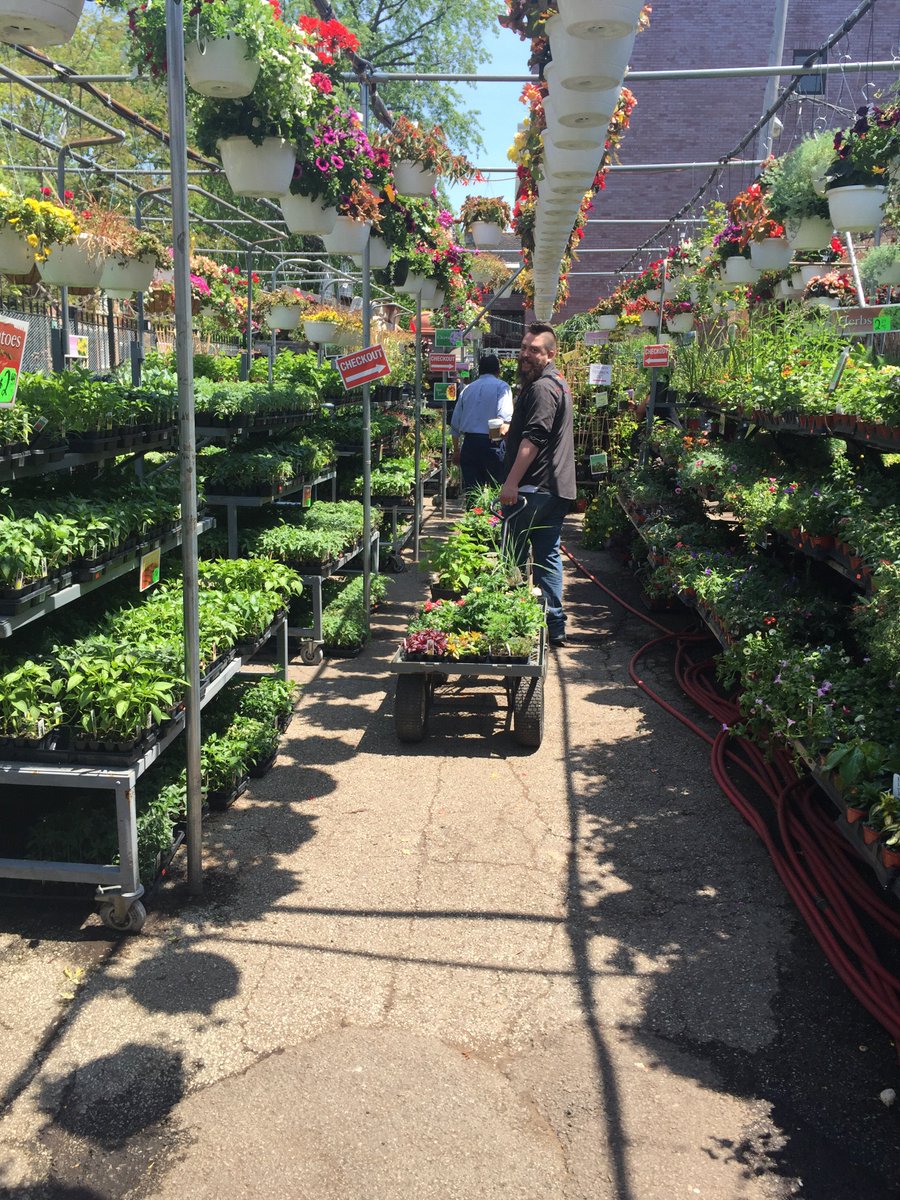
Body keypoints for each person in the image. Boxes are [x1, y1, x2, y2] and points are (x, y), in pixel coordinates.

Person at [499, 323, 576, 648]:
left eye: (534, 350)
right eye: (524, 347)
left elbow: (535, 437)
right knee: (546, 555)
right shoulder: (559, 384)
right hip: (554, 489)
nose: (525, 354)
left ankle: (516, 623)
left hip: (533, 489)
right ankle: (553, 626)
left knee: (513, 555)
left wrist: (511, 482)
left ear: (550, 354)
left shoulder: (543, 388)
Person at [450, 354, 513, 498]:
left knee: (472, 492)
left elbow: (455, 424)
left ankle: (472, 519)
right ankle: (492, 520)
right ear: (498, 371)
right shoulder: (502, 387)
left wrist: (456, 450)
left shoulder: (467, 389)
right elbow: (503, 419)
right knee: (495, 492)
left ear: (479, 371)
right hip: (492, 441)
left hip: (470, 444)